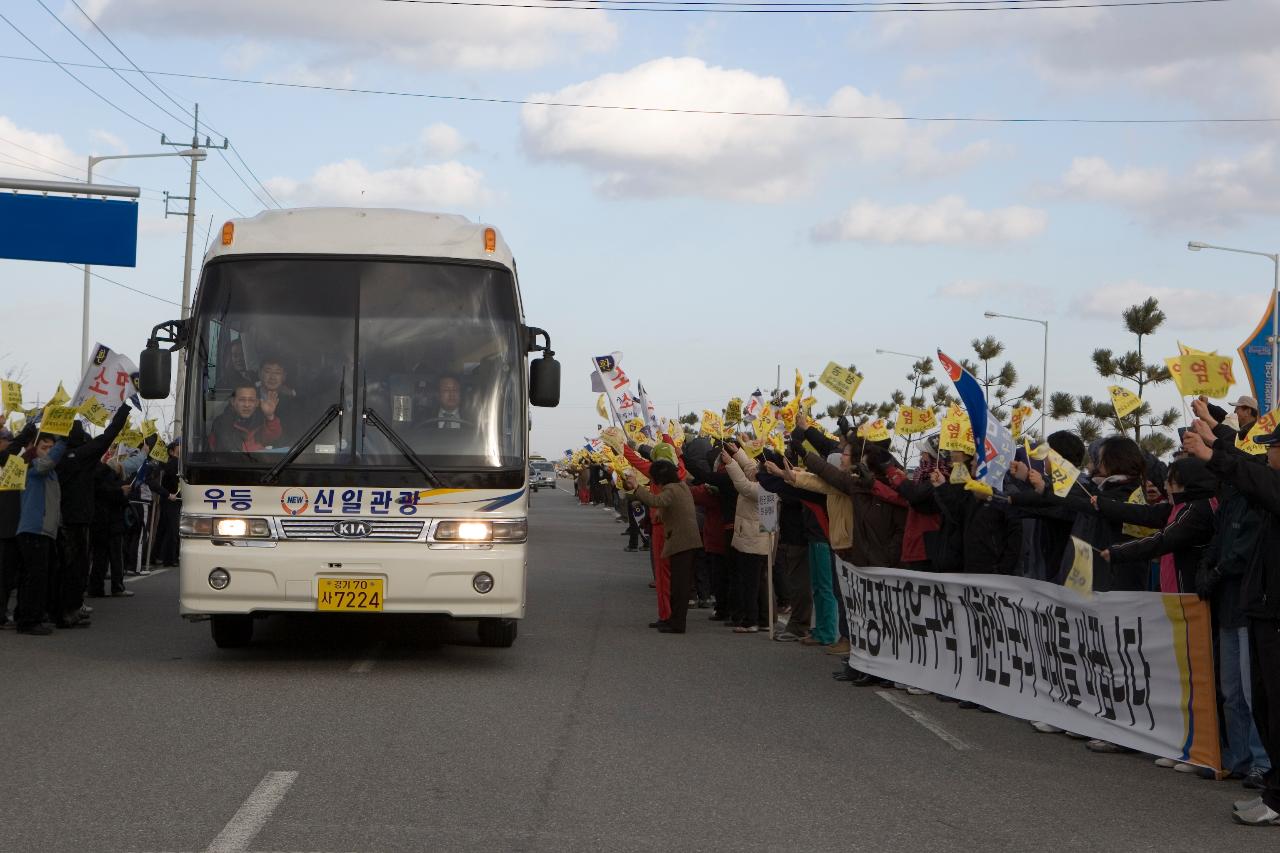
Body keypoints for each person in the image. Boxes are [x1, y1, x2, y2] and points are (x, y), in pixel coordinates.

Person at [1183, 418, 1280, 826]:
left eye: (1273, 445)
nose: (1268, 451)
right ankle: (1275, 791)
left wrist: (1211, 454)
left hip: (1275, 614)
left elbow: (1253, 476)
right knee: (1264, 705)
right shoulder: (1269, 485)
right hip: (1262, 608)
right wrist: (1215, 438)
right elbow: (1251, 468)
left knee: (1275, 706)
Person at [54, 405, 130, 628]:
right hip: (79, 518)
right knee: (76, 567)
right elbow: (108, 437)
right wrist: (123, 410)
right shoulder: (83, 456)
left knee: (65, 567)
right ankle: (69, 612)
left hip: (60, 517)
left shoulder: (57, 458)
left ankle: (65, 609)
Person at [623, 459, 701, 634]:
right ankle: (673, 620)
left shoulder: (671, 489)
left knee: (679, 587)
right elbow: (668, 507)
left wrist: (636, 486)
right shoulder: (680, 486)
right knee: (677, 585)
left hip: (682, 542)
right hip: (687, 541)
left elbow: (655, 501)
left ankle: (677, 623)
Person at [15, 433, 69, 635]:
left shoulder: (47, 470)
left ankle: (26, 615)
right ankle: (30, 620)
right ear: (33, 448)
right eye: (44, 447)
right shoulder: (32, 466)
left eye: (50, 447)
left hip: (42, 531)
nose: (48, 451)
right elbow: (47, 463)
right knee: (34, 578)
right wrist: (62, 441)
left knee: (33, 577)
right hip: (34, 529)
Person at [721, 443, 771, 634]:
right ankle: (764, 619)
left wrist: (730, 463)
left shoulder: (766, 488)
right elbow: (751, 470)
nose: (756, 467)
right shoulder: (769, 481)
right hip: (760, 538)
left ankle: (751, 621)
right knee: (760, 583)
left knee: (752, 584)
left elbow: (743, 485)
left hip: (754, 540)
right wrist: (737, 452)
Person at [0, 421, 37, 628]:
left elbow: (22, 458)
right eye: (5, 439)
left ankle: (14, 612)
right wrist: (23, 436)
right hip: (6, 524)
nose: (8, 442)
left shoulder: (13, 460)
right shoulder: (5, 459)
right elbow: (12, 456)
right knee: (5, 575)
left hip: (17, 523)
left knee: (14, 573)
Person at [89, 459, 133, 598]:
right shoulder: (117, 483)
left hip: (98, 522)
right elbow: (122, 500)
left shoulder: (95, 478)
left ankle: (96, 587)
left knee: (99, 557)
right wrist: (122, 492)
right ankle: (117, 586)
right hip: (113, 522)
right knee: (115, 557)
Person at [208, 384, 283, 451]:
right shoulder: (221, 423)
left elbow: (272, 438)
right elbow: (223, 451)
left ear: (257, 403)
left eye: (251, 400)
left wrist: (269, 415)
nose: (247, 405)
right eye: (242, 400)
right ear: (233, 402)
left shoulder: (260, 419)